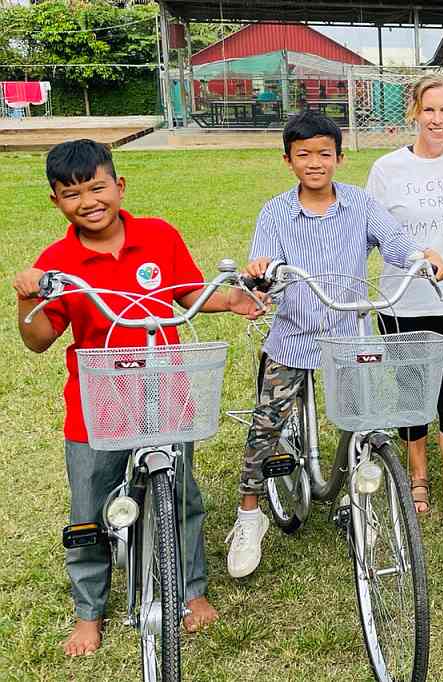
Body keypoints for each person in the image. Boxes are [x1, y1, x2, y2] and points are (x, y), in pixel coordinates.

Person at [12, 139, 261, 656]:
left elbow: (189, 293)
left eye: (97, 187)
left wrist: (234, 299)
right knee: (89, 509)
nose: (88, 201)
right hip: (96, 405)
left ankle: (191, 590)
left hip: (164, 390)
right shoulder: (58, 262)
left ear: (119, 186)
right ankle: (89, 611)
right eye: (71, 194)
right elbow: (37, 341)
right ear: (56, 201)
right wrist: (27, 298)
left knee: (180, 496)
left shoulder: (158, 236)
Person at [226, 111, 443, 576]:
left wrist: (421, 258)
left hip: (349, 333)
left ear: (340, 158)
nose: (314, 162)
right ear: (287, 160)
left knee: (367, 418)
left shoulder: (360, 204)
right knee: (267, 423)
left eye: (324, 153)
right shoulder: (276, 211)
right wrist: (260, 271)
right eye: (303, 154)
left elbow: (397, 243)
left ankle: (359, 502)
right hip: (293, 336)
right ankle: (250, 513)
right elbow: (262, 265)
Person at [366, 75, 443, 543]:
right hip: (402, 301)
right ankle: (418, 476)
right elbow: (376, 237)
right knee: (411, 396)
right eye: (430, 110)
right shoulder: (386, 170)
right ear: (414, 113)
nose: (438, 120)